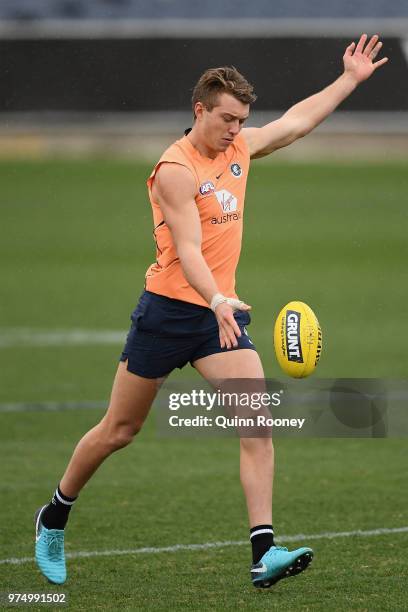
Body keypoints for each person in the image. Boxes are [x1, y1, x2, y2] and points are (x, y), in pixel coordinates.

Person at [34, 34, 388, 588]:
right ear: (199, 109)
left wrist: (348, 80)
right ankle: (54, 515)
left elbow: (294, 124)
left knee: (258, 426)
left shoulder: (239, 147)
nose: (235, 129)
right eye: (226, 118)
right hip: (168, 314)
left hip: (217, 320)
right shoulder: (175, 169)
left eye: (242, 119)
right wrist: (217, 296)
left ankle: (263, 553)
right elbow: (190, 249)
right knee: (119, 430)